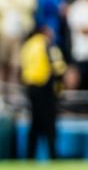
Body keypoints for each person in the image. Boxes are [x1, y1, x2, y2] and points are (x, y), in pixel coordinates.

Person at [20, 25, 65, 160]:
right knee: (50, 124)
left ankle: (30, 156)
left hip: (30, 88)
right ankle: (53, 155)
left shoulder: (27, 46)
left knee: (34, 123)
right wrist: (59, 86)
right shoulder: (47, 44)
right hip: (46, 88)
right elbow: (58, 67)